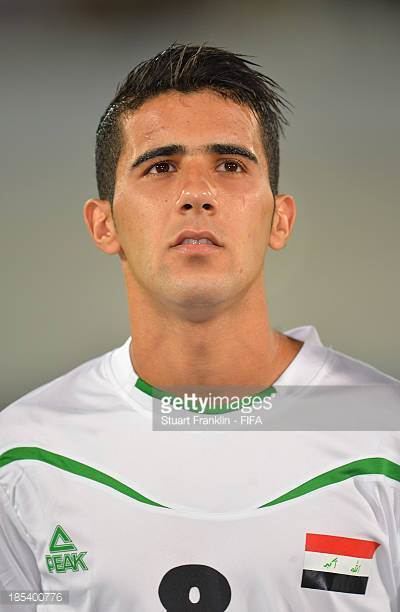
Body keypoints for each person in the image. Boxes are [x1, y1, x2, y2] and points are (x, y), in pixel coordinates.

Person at [0, 43, 399, 612]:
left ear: (279, 217)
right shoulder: (27, 451)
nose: (196, 194)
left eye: (230, 165)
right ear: (104, 223)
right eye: (160, 166)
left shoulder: (383, 431)